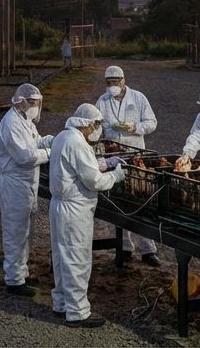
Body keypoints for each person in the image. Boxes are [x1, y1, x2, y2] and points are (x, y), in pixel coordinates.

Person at [49, 103, 125, 328]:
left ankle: (61, 303)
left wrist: (103, 163)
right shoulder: (77, 142)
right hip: (75, 208)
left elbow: (79, 167)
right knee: (77, 259)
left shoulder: (64, 137)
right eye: (97, 125)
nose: (98, 129)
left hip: (60, 205)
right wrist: (116, 175)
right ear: (88, 124)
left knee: (62, 257)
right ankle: (78, 312)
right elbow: (93, 181)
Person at [94, 65, 159, 265]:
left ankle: (148, 250)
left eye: (115, 82)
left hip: (135, 153)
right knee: (119, 201)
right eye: (109, 83)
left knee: (139, 199)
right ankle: (125, 247)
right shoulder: (102, 101)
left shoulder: (138, 98)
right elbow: (96, 125)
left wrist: (136, 127)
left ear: (123, 81)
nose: (112, 86)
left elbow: (152, 122)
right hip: (114, 154)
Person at [0, 83, 52, 297]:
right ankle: (14, 280)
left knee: (26, 231)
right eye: (33, 103)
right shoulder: (11, 123)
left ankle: (22, 272)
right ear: (21, 101)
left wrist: (56, 140)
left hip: (27, 182)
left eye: (37, 103)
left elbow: (37, 141)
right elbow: (26, 157)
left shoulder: (24, 120)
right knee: (15, 231)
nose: (35, 107)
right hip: (14, 182)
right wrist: (50, 152)